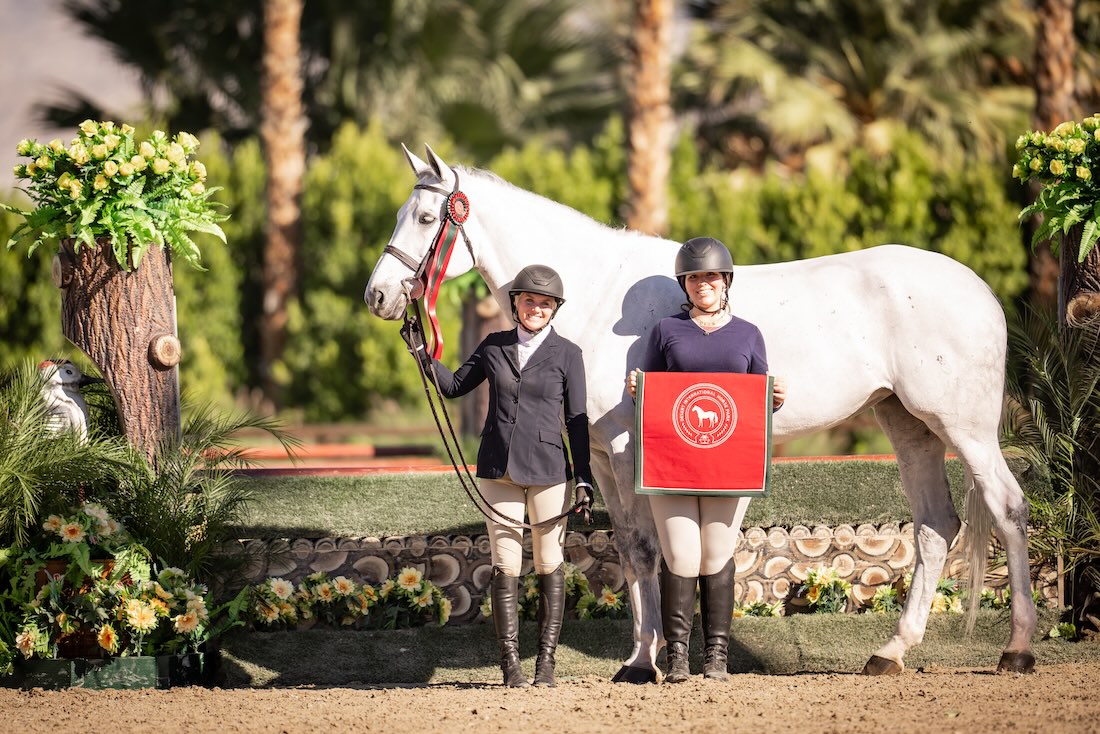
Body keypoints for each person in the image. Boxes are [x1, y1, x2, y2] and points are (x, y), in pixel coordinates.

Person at [403, 264, 593, 689]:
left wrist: (584, 479)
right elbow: (453, 387)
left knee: (549, 564)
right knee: (505, 565)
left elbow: (576, 422)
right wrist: (421, 352)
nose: (537, 309)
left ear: (554, 309)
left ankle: (546, 662)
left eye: (545, 304)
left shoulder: (569, 355)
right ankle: (511, 664)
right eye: (529, 301)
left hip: (549, 472)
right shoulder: (494, 346)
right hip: (498, 469)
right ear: (515, 304)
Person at [627, 237, 786, 683]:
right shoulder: (665, 332)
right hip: (673, 462)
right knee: (681, 555)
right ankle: (676, 654)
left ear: (725, 281)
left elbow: (755, 402)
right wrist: (639, 391)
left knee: (715, 555)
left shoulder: (749, 334)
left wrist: (774, 398)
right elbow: (651, 395)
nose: (703, 284)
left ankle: (716, 654)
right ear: (685, 284)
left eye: (710, 276)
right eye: (694, 277)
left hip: (728, 464)